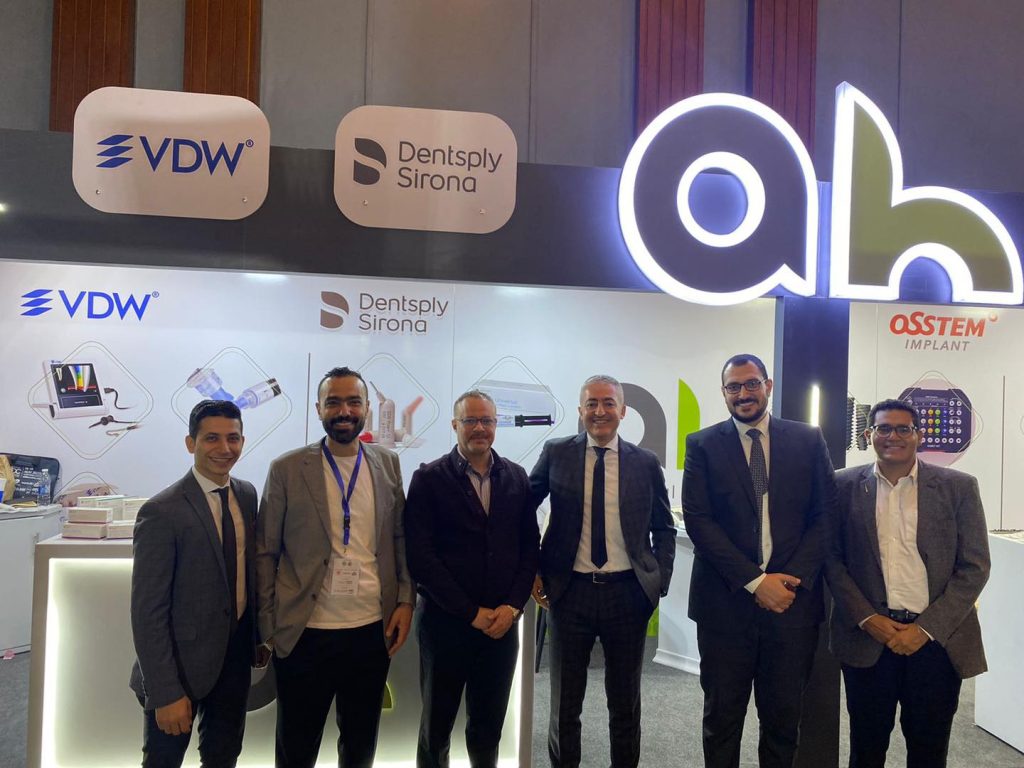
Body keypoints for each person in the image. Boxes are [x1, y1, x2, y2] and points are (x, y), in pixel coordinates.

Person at [255, 366, 414, 768]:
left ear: (366, 408)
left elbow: (399, 537)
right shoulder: (287, 468)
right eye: (334, 402)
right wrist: (269, 625)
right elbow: (265, 551)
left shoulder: (388, 463)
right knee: (296, 748)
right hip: (304, 632)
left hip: (370, 631)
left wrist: (405, 601)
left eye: (353, 402)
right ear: (318, 409)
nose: (344, 411)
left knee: (360, 746)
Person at [682, 353, 835, 768]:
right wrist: (755, 581)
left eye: (751, 383)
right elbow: (699, 521)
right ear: (724, 393)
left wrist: (789, 581)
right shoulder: (702, 445)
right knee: (721, 720)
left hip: (792, 607)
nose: (743, 393)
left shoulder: (807, 439)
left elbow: (826, 515)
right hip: (724, 607)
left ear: (768, 386)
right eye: (734, 386)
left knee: (783, 722)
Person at [825, 398, 990, 768]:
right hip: (869, 639)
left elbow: (975, 566)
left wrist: (925, 629)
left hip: (936, 643)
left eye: (903, 429)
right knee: (866, 748)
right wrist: (868, 619)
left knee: (929, 750)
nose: (893, 436)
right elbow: (832, 561)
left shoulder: (958, 487)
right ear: (869, 434)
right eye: (884, 428)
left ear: (918, 435)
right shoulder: (842, 485)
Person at [529, 374, 675, 768]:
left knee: (625, 703)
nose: (600, 411)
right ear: (580, 410)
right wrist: (533, 568)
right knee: (564, 704)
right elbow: (523, 508)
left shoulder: (645, 463)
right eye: (592, 403)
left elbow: (664, 527)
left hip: (627, 594)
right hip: (569, 593)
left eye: (608, 403)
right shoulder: (557, 453)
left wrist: (657, 582)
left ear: (623, 411)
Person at [405, 389, 540, 768]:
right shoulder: (428, 479)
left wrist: (512, 607)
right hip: (445, 626)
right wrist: (470, 613)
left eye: (487, 421)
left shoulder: (516, 476)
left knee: (487, 730)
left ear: (496, 424)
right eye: (470, 421)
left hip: (501, 627)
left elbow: (529, 548)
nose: (479, 428)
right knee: (436, 729)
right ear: (455, 425)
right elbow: (422, 558)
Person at [130, 399, 260, 768]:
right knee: (163, 761)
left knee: (223, 757)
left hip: (233, 662)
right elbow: (147, 612)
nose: (224, 448)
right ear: (191, 443)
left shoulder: (247, 495)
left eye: (233, 438)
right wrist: (165, 691)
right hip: (179, 668)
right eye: (212, 438)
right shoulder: (162, 511)